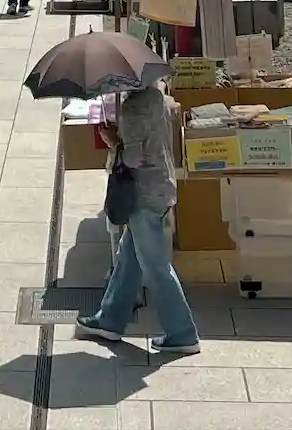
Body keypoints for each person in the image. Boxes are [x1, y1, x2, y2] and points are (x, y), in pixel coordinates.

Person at [75, 84, 200, 354]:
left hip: (142, 194)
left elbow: (132, 158)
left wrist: (113, 142)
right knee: (128, 258)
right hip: (161, 186)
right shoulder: (156, 98)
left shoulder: (132, 109)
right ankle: (110, 319)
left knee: (155, 266)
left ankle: (183, 333)